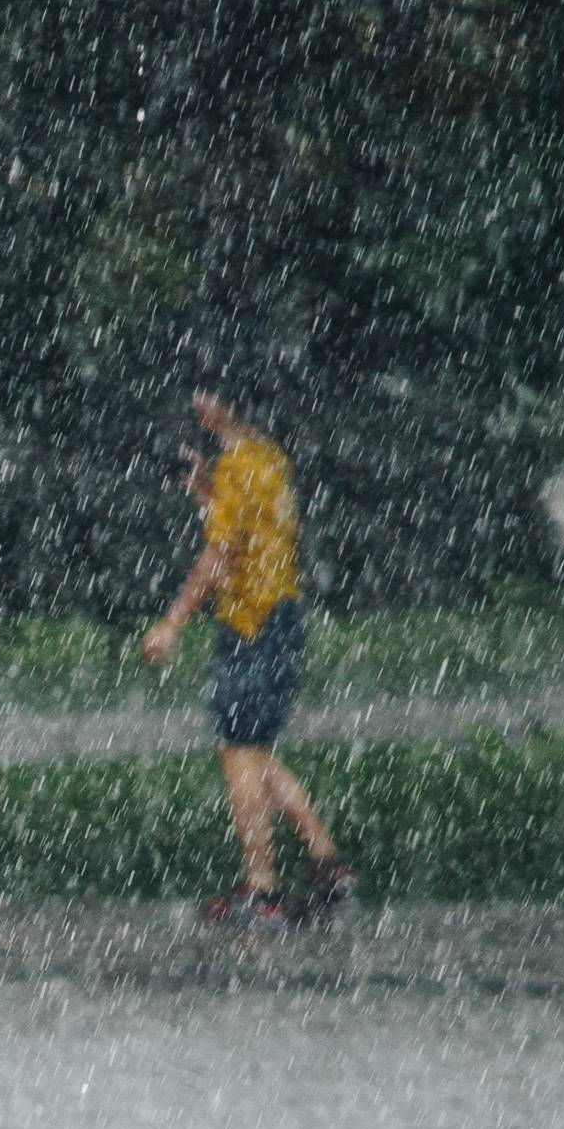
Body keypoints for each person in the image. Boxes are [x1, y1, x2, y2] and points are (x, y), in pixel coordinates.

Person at [142, 389, 353, 928]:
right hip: (282, 616)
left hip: (250, 622)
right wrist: (208, 494)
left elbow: (221, 554)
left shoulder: (239, 465)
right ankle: (326, 860)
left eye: (206, 395)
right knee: (252, 750)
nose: (196, 404)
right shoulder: (268, 457)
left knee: (239, 753)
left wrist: (172, 621)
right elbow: (253, 532)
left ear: (225, 404)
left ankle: (262, 887)